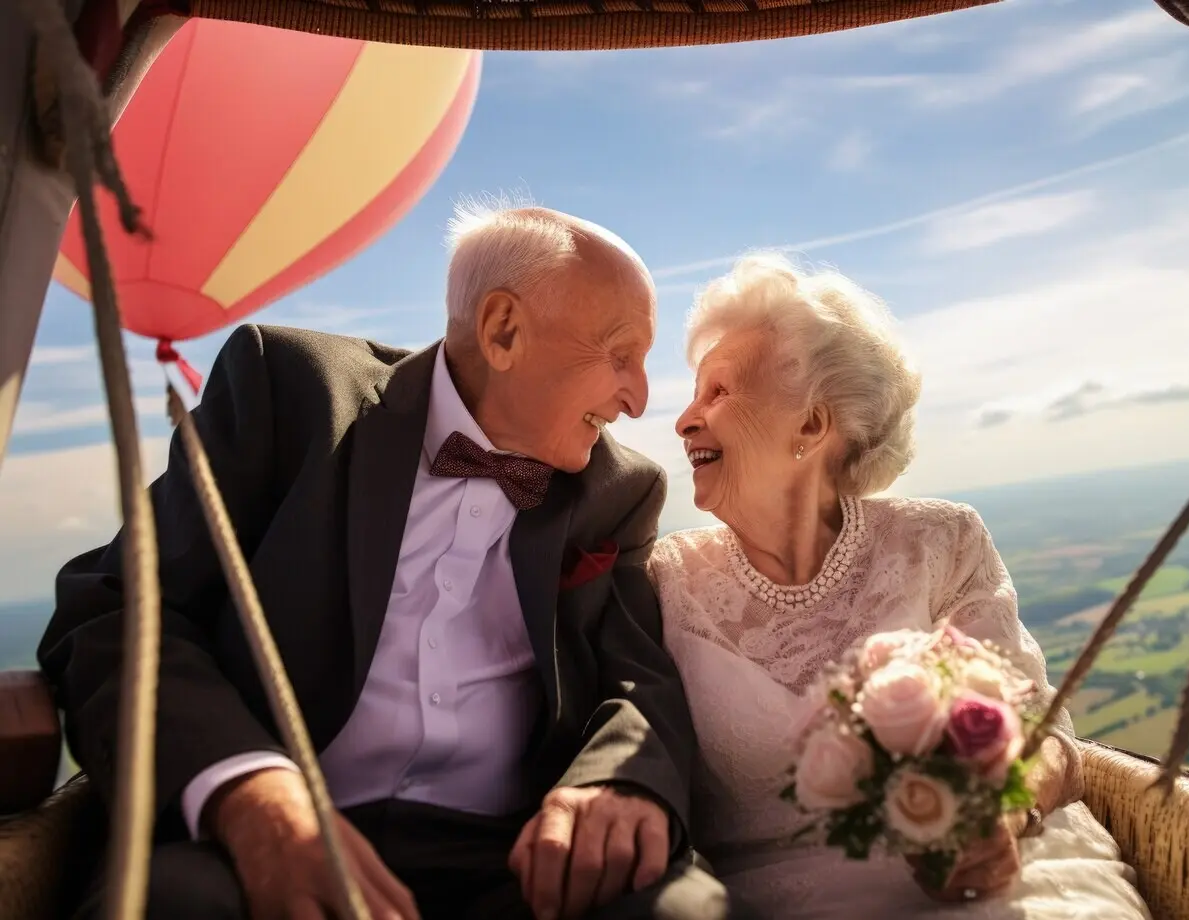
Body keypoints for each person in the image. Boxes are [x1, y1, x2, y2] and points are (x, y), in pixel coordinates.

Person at [38, 206, 740, 920]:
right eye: (621, 355)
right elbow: (113, 605)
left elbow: (637, 675)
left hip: (512, 856)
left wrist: (621, 782)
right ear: (503, 331)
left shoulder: (617, 492)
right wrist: (249, 792)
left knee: (686, 911)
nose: (639, 398)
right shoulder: (291, 392)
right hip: (261, 841)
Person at [647, 253, 1154, 919]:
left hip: (1009, 877)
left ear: (812, 425)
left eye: (718, 392)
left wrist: (1005, 811)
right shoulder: (666, 581)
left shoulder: (940, 542)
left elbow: (1044, 733)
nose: (684, 419)